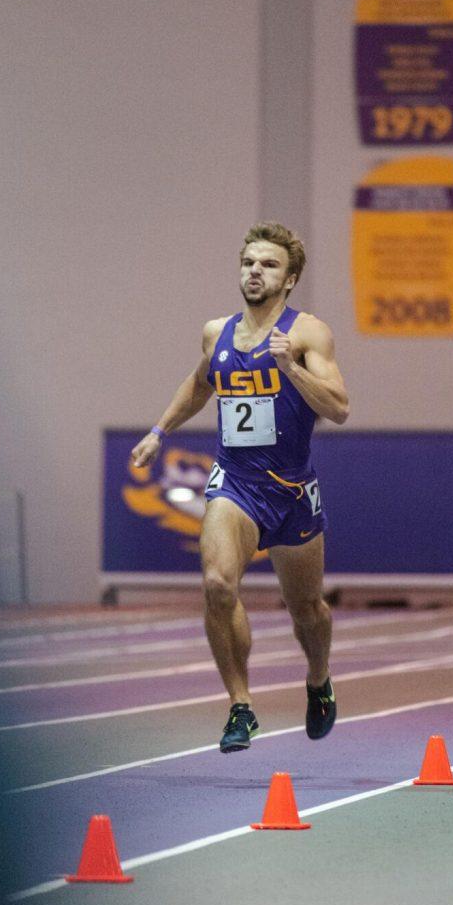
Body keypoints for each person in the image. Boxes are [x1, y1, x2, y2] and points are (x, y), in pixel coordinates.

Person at [132, 222, 349, 752]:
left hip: (293, 491)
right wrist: (159, 432)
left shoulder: (308, 334)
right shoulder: (217, 333)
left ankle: (318, 679)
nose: (255, 271)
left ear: (290, 278)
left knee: (308, 611)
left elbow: (339, 408)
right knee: (217, 585)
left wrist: (289, 369)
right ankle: (241, 706)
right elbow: (200, 382)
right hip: (235, 484)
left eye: (269, 264)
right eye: (249, 262)